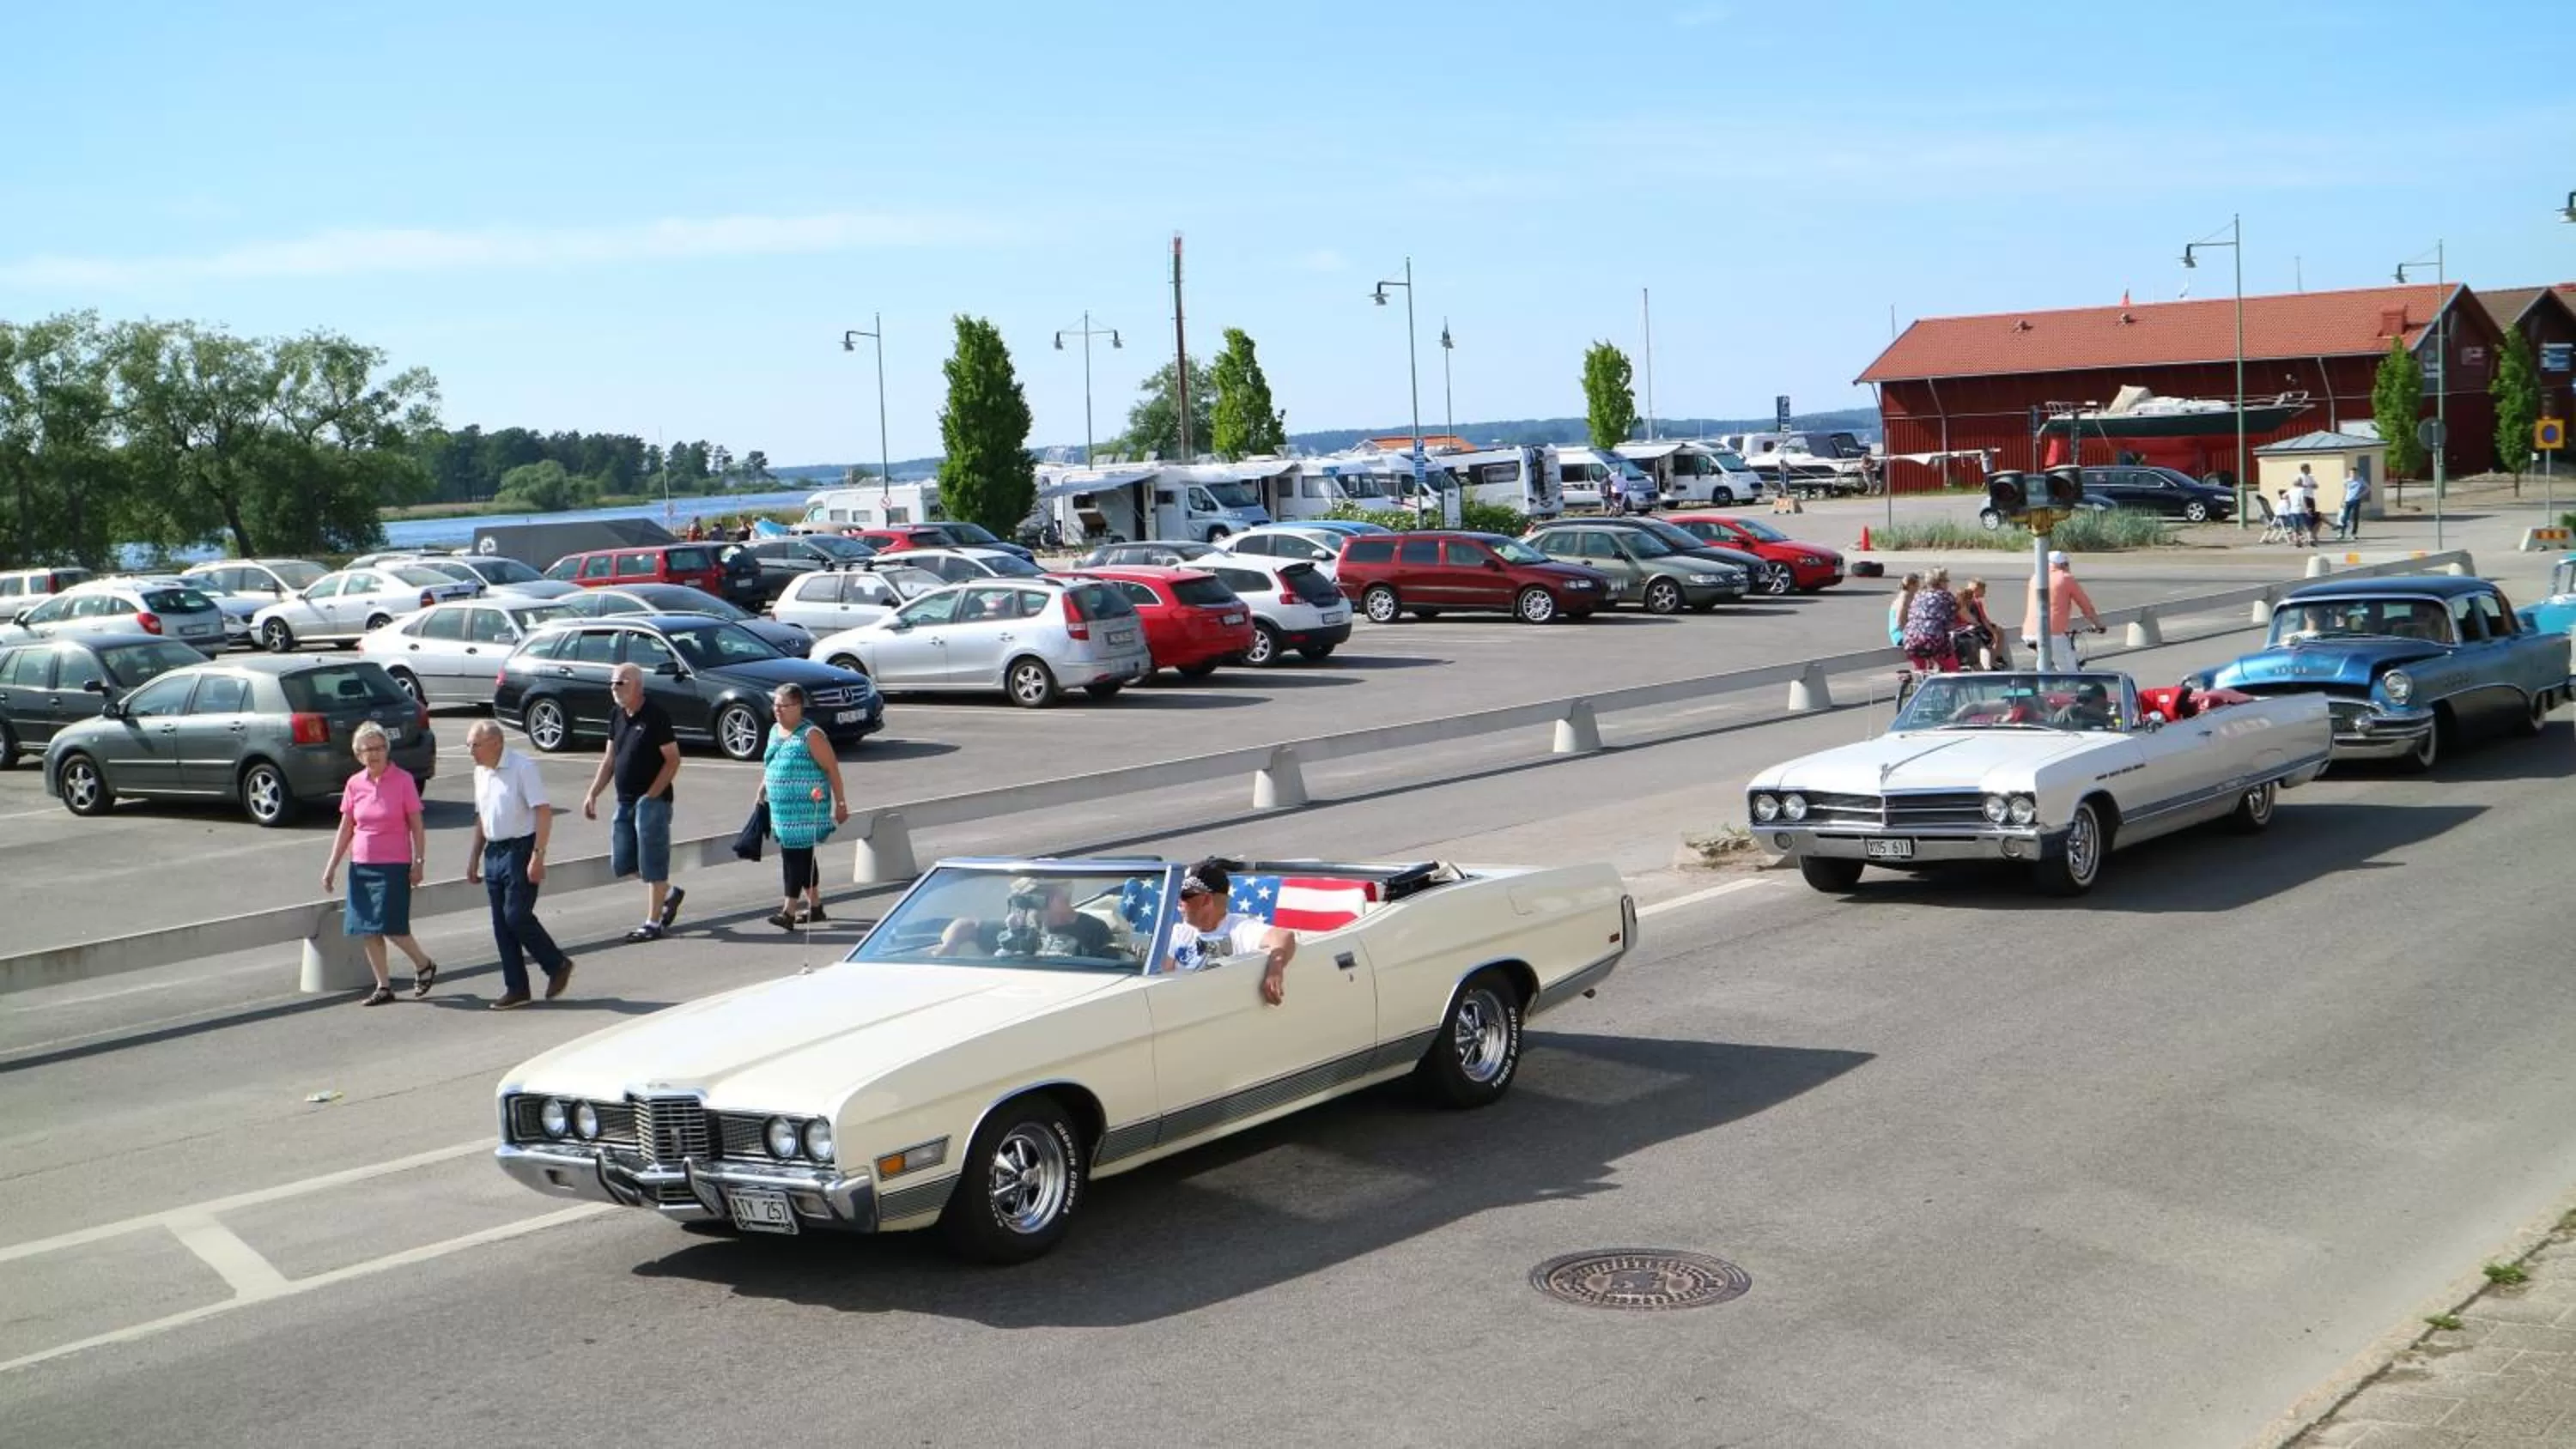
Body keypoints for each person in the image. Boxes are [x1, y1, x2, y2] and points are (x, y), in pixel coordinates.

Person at [320, 722, 435, 1006]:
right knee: (367, 929)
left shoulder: (404, 780)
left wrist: (419, 862)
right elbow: (346, 827)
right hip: (361, 865)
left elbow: (417, 826)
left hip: (394, 864)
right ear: (358, 754)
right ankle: (384, 986)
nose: (374, 754)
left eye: (379, 748)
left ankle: (423, 964)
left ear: (387, 749)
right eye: (367, 749)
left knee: (392, 926)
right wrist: (332, 865)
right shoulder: (354, 784)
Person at [464, 719, 572, 1009]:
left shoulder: (522, 768)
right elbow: (482, 818)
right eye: (468, 745)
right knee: (501, 925)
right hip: (494, 851)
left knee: (516, 916)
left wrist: (538, 855)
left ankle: (557, 964)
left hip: (521, 848)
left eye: (475, 744)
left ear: (496, 743)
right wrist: (474, 856)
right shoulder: (480, 773)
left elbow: (543, 812)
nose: (471, 750)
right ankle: (517, 988)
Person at [585, 663, 683, 941]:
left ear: (637, 685)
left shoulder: (655, 715)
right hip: (624, 801)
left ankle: (653, 922)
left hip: (653, 802)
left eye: (620, 683)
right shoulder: (616, 714)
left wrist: (651, 795)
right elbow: (610, 759)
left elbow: (673, 759)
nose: (614, 689)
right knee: (623, 862)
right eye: (612, 683)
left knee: (653, 862)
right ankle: (669, 892)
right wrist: (592, 793)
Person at [756, 682, 850, 930]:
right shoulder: (775, 730)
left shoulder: (811, 735)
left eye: (783, 705)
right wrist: (763, 787)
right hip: (782, 810)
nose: (778, 710)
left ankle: (788, 910)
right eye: (775, 705)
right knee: (802, 855)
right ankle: (815, 907)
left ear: (798, 707)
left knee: (794, 855)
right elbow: (772, 763)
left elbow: (832, 769)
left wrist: (841, 803)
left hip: (806, 808)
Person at [1158, 858, 1297, 1005]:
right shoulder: (1180, 932)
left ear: (1205, 900)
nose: (1179, 902)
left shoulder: (1238, 929)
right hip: (1185, 1004)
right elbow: (1163, 975)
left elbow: (1283, 936)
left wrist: (1274, 971)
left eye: (1184, 896)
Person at [996, 877, 1114, 958]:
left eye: (1036, 897)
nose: (1031, 905)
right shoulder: (1031, 927)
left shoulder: (1093, 929)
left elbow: (1104, 974)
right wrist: (1014, 933)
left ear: (1058, 897)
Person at [2022, 549, 2103, 666]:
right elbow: (2086, 606)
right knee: (2069, 670)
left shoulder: (2035, 577)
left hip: (2029, 633)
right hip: (2051, 633)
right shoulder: (2066, 578)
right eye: (2067, 564)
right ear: (2063, 564)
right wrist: (2098, 625)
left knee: (2046, 663)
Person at [1901, 566, 1960, 674]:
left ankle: (1920, 687)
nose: (1948, 583)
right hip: (1933, 640)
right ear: (1940, 582)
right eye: (1946, 580)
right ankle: (1948, 689)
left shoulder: (1919, 595)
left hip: (1911, 640)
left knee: (1921, 672)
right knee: (1953, 669)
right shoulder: (1946, 596)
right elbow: (1951, 623)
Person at [1954, 578, 2007, 670]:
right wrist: (1993, 632)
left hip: (1966, 630)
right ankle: (1994, 660)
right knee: (1997, 633)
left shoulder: (1960, 602)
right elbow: (1982, 620)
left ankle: (1993, 660)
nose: (1985, 592)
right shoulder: (1974, 603)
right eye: (1984, 589)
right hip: (1971, 631)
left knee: (1993, 633)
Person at [2052, 679, 2119, 731]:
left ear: (2101, 700)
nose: (2082, 704)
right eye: (2080, 700)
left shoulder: (2113, 716)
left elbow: (2116, 725)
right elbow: (2051, 724)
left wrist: (2105, 716)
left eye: (2086, 700)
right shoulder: (2072, 712)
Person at [2336, 465, 2369, 541]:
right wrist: (2342, 501)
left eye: (2354, 473)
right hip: (2348, 501)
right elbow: (2345, 491)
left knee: (2355, 518)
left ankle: (2353, 534)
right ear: (2349, 474)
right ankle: (2342, 533)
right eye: (2351, 473)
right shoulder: (2347, 481)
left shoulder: (2360, 480)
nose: (2353, 475)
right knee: (2345, 517)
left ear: (2357, 473)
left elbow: (2368, 488)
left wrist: (2360, 495)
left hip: (2356, 501)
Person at [2293, 466, 2323, 547]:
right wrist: (2304, 485)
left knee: (2312, 516)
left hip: (2311, 497)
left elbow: (2316, 486)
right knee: (2305, 517)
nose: (2309, 470)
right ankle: (2303, 537)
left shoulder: (2311, 477)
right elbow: (2295, 483)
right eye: (2308, 469)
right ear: (2303, 469)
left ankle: (2312, 535)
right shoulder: (2299, 476)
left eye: (2309, 469)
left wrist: (2312, 485)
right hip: (2304, 497)